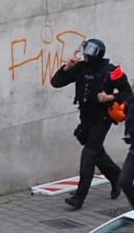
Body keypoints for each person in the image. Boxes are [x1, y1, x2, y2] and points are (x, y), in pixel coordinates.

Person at [50, 38, 132, 210]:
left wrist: (109, 98)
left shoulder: (112, 71)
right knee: (95, 151)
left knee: (89, 154)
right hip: (85, 117)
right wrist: (68, 66)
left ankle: (79, 198)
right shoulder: (80, 68)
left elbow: (127, 94)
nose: (86, 55)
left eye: (89, 52)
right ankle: (116, 177)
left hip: (102, 118)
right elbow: (56, 82)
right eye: (85, 51)